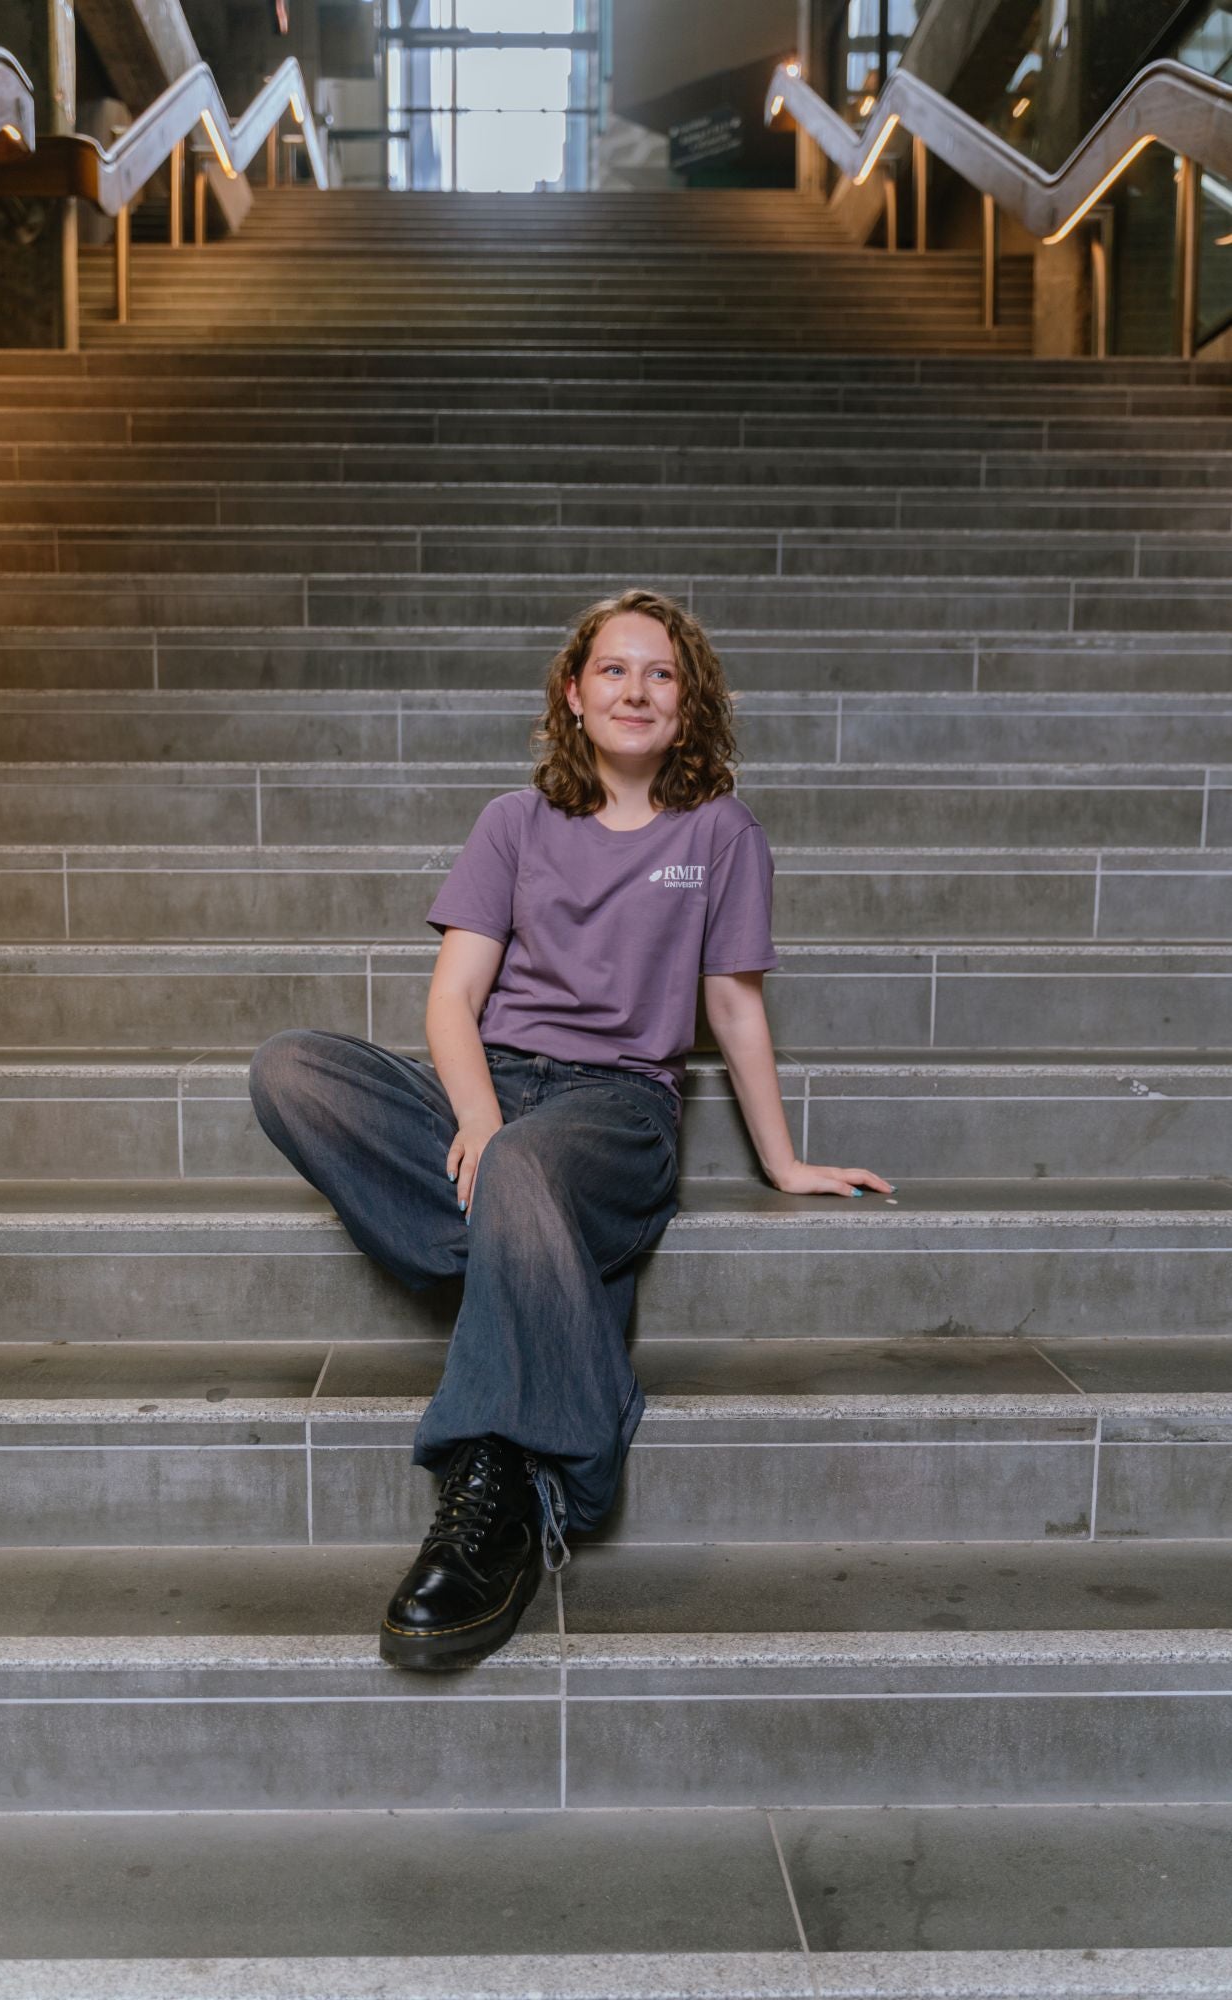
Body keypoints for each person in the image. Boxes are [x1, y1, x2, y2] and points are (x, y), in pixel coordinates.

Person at [248, 587, 893, 1672]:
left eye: (661, 673)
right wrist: (482, 1120)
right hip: (494, 1088)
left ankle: (499, 1480)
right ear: (572, 693)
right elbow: (451, 1002)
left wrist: (781, 1159)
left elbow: (731, 1004)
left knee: (531, 1170)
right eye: (612, 669)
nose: (635, 687)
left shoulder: (719, 831)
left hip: (614, 1110)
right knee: (291, 1070)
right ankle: (530, 1253)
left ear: (685, 708)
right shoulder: (513, 821)